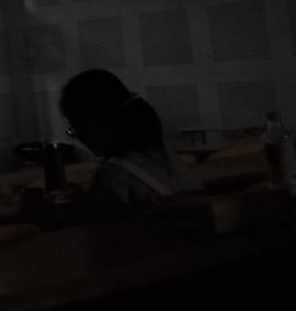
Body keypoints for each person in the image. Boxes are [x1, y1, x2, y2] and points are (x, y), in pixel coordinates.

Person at [59, 69, 203, 215]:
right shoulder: (163, 153)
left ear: (90, 125)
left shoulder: (112, 176)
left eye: (73, 129)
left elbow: (101, 222)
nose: (77, 137)